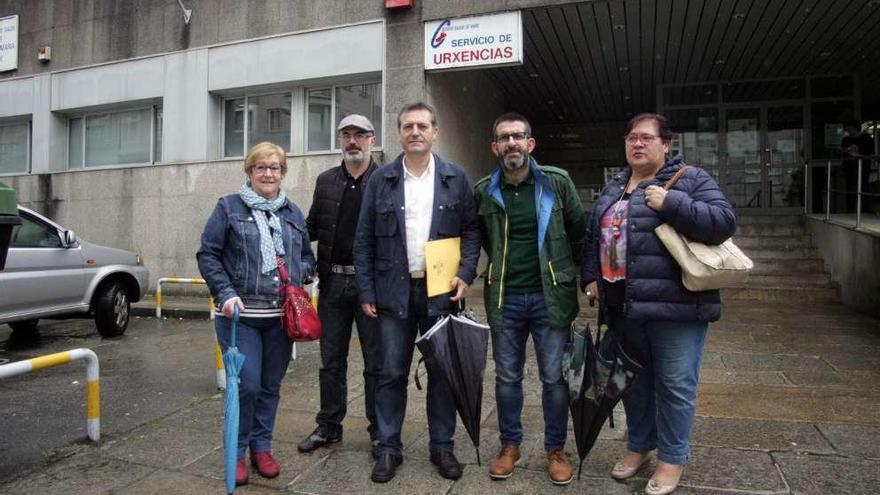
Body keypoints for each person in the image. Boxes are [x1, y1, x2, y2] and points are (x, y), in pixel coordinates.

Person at [581, 113, 736, 495]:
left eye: (646, 138)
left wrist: (672, 202)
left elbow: (724, 221)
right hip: (624, 308)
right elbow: (593, 237)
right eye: (631, 137)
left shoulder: (690, 179)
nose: (637, 144)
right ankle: (640, 446)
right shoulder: (615, 186)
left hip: (676, 309)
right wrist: (590, 278)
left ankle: (672, 458)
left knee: (675, 386)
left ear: (666, 144)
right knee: (634, 384)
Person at [353, 102, 481, 483]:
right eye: (407, 126)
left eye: (422, 125)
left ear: (434, 131)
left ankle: (442, 446)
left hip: (440, 292)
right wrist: (366, 289)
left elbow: (472, 231)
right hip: (393, 292)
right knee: (390, 372)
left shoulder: (455, 177)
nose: (415, 132)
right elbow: (363, 240)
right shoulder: (382, 179)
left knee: (442, 373)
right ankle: (388, 447)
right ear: (399, 133)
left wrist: (466, 273)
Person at [473, 112, 585, 486]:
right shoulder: (484, 190)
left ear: (530, 143)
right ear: (495, 147)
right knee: (507, 377)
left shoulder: (556, 182)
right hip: (505, 298)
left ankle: (556, 449)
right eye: (504, 138)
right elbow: (483, 240)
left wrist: (585, 279)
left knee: (554, 378)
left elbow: (578, 233)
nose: (512, 143)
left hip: (550, 297)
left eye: (518, 136)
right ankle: (510, 445)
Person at [197, 142, 316, 487]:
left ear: (283, 173)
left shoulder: (291, 212)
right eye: (261, 167)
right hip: (240, 314)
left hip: (281, 318)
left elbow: (307, 256)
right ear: (249, 172)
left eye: (275, 167)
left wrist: (300, 274)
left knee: (269, 386)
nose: (268, 173)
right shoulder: (228, 207)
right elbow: (208, 255)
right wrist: (226, 293)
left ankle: (261, 448)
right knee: (245, 385)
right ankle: (236, 452)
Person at [298, 115, 382, 457]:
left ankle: (381, 430)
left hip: (371, 287)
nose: (352, 141)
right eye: (346, 135)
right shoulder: (326, 181)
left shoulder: (387, 179)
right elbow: (310, 228)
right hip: (332, 283)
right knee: (331, 360)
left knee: (376, 363)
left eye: (359, 135)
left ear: (371, 139)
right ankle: (329, 426)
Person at [840, 121, 874, 213]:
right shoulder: (846, 139)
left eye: (849, 129)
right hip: (849, 168)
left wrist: (858, 152)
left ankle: (865, 209)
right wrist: (848, 150)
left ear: (854, 128)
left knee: (863, 187)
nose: (848, 131)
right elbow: (842, 151)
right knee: (850, 188)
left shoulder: (866, 138)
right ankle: (851, 209)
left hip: (862, 166)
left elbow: (870, 151)